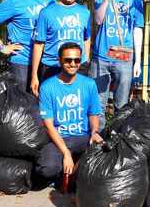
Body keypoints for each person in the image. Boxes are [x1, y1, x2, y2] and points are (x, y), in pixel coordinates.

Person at [36, 42, 103, 182]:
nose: (73, 64)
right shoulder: (47, 87)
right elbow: (48, 125)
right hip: (58, 139)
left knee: (104, 155)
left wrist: (95, 133)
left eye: (77, 60)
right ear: (59, 61)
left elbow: (93, 115)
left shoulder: (89, 84)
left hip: (83, 137)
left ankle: (74, 172)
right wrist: (66, 153)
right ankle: (70, 170)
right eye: (68, 60)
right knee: (47, 169)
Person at [90, 0, 144, 123]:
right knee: (98, 104)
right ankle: (97, 139)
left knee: (121, 105)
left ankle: (117, 139)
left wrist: (137, 61)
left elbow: (137, 30)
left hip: (124, 57)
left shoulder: (136, 1)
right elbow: (98, 20)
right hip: (102, 55)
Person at [30, 0, 92, 94]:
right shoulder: (46, 12)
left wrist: (86, 59)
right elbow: (38, 44)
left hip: (77, 67)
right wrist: (34, 76)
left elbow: (86, 37)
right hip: (52, 66)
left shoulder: (85, 12)